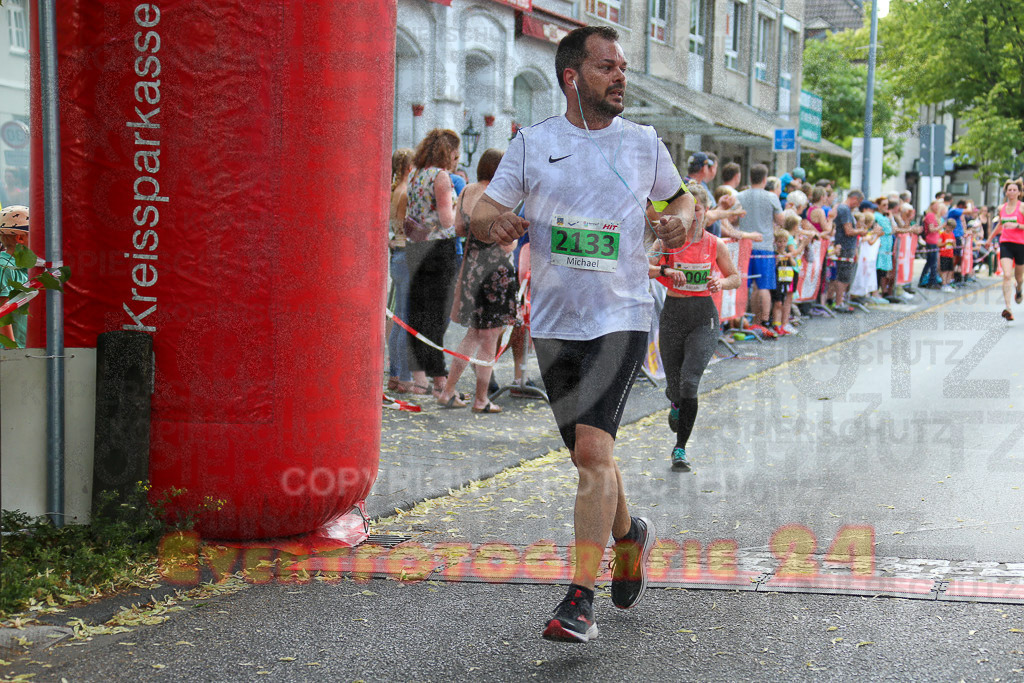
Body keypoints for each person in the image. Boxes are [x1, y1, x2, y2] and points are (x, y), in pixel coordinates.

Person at [470, 25, 694, 644]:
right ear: (572, 76)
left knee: (593, 454)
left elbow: (682, 201)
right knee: (588, 454)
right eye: (606, 67)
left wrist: (677, 224)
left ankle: (579, 598)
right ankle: (629, 536)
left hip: (620, 315)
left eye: (622, 67)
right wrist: (493, 222)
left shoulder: (644, 143)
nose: (620, 76)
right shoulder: (533, 144)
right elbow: (481, 207)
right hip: (556, 322)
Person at [649, 184, 739, 472]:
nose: (693, 216)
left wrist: (720, 283)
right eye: (690, 211)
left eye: (698, 210)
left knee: (690, 382)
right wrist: (665, 269)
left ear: (705, 212)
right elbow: (643, 267)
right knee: (675, 386)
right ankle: (675, 401)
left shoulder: (715, 244)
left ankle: (680, 448)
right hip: (673, 314)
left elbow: (735, 277)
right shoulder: (667, 241)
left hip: (703, 317)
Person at [436, 149, 516, 413]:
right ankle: (480, 399)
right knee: (490, 336)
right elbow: (507, 246)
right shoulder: (499, 197)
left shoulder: (468, 190)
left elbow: (458, 229)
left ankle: (448, 391)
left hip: (472, 268)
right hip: (495, 273)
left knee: (472, 334)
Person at [405, 128, 462, 397]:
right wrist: (459, 203)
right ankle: (439, 377)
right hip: (440, 249)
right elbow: (447, 220)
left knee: (417, 312)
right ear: (448, 152)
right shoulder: (441, 177)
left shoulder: (415, 174)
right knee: (438, 315)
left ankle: (419, 379)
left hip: (416, 246)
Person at [735, 163, 785, 337]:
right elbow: (781, 221)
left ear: (750, 178)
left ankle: (742, 321)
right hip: (764, 247)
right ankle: (762, 322)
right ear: (765, 179)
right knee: (763, 286)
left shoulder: (740, 196)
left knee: (744, 285)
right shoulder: (771, 198)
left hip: (745, 246)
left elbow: (734, 218)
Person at [387, 148, 416, 394]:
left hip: (397, 252)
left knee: (399, 317)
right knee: (404, 318)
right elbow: (410, 227)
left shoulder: (395, 191)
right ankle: (403, 375)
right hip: (406, 253)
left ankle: (396, 373)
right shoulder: (405, 192)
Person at [984, 178, 1024, 321]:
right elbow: (1000, 225)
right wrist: (989, 239)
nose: (1012, 192)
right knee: (1007, 275)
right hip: (1006, 243)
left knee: (1019, 278)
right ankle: (1008, 308)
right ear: (1006, 192)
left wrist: (1018, 226)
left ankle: (1019, 289)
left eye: (1014, 190)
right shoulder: (1002, 208)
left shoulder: (1022, 207)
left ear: (1019, 192)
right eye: (1009, 190)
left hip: (1021, 245)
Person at [827, 190, 865, 312]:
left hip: (846, 246)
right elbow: (848, 231)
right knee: (843, 276)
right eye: (858, 202)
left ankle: (839, 301)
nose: (858, 205)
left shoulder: (844, 209)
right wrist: (861, 231)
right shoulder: (845, 209)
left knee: (844, 276)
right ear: (854, 198)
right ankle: (838, 302)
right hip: (845, 246)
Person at [0, 205, 30, 348]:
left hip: (26, 349)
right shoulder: (4, 267)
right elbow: (2, 313)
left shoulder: (26, 268)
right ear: (20, 238)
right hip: (12, 355)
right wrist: (12, 352)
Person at [919, 200, 943, 288]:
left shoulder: (933, 216)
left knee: (930, 262)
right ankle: (932, 281)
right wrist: (942, 226)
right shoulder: (930, 215)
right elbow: (931, 229)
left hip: (934, 240)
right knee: (932, 262)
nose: (937, 208)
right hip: (931, 240)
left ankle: (926, 280)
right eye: (936, 206)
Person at [938, 218, 956, 292]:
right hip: (944, 254)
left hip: (950, 254)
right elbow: (939, 244)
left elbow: (954, 246)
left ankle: (948, 284)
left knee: (950, 270)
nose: (950, 229)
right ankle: (944, 284)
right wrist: (945, 243)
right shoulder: (942, 234)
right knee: (944, 270)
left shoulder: (952, 234)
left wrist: (953, 243)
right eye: (950, 227)